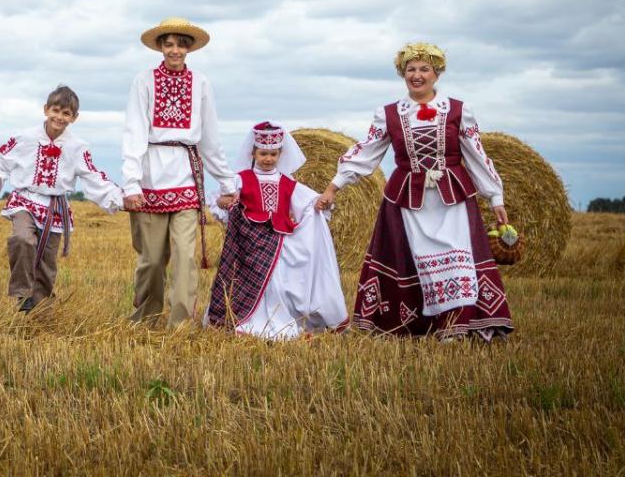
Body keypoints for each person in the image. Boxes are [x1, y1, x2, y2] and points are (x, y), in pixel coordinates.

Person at [315, 42, 514, 340]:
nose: (417, 75)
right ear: (402, 74)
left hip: (452, 199)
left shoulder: (459, 110)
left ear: (437, 74)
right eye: (411, 70)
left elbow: (476, 154)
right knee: (416, 262)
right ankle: (420, 325)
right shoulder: (390, 114)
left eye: (424, 69)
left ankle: (455, 327)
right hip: (408, 200)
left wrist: (495, 197)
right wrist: (334, 186)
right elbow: (366, 152)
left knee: (455, 259)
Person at [121, 17, 238, 327]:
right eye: (169, 44)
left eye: (180, 44)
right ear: (160, 47)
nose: (175, 50)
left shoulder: (201, 83)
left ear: (189, 48)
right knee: (152, 260)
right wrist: (131, 183)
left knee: (186, 258)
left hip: (187, 177)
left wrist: (227, 181)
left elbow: (210, 136)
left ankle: (180, 326)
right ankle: (144, 321)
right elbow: (134, 132)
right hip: (150, 177)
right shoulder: (143, 81)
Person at [0, 85, 123, 312]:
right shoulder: (25, 137)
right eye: (56, 110)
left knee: (47, 263)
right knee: (23, 239)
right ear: (46, 110)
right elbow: (0, 159)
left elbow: (93, 176)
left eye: (66, 113)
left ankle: (40, 309)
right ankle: (23, 294)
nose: (60, 117)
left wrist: (118, 199)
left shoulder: (78, 147)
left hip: (55, 207)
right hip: (25, 200)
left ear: (74, 118)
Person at [205, 122, 348, 338]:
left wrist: (320, 202)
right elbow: (223, 198)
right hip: (247, 244)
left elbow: (308, 202)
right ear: (253, 152)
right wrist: (224, 200)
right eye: (263, 153)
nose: (268, 159)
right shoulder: (242, 178)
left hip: (279, 241)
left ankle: (280, 319)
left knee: (281, 284)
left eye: (273, 154)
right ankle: (247, 320)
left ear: (280, 154)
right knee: (245, 283)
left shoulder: (287, 183)